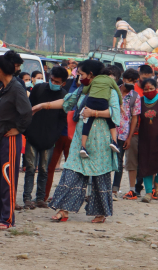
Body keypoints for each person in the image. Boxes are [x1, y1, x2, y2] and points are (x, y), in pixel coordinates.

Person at [50, 59, 118, 223]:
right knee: (71, 172)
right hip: (81, 140)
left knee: (100, 178)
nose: (79, 77)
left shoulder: (110, 90)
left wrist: (94, 113)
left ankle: (100, 214)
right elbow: (67, 102)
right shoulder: (83, 89)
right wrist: (41, 106)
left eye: (80, 74)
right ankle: (63, 210)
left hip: (101, 140)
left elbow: (115, 113)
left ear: (91, 74)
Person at [0, 51, 31, 230]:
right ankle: (2, 217)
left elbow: (26, 112)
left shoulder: (16, 88)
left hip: (10, 141)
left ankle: (8, 219)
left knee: (8, 179)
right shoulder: (3, 88)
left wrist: (18, 129)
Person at [24, 66, 68, 209]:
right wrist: (28, 131)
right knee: (30, 168)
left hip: (50, 138)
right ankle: (27, 198)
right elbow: (29, 110)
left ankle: (40, 198)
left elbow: (63, 119)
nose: (53, 83)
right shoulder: (38, 89)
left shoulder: (64, 96)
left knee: (44, 169)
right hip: (33, 134)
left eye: (57, 82)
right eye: (52, 80)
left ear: (63, 83)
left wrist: (55, 136)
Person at [77, 68, 121, 158]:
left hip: (90, 102)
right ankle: (114, 141)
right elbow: (118, 91)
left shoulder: (95, 79)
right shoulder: (110, 82)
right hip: (102, 102)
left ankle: (83, 147)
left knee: (87, 123)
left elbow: (85, 90)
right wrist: (121, 103)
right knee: (111, 121)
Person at [117, 69, 141, 199]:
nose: (131, 83)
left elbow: (135, 118)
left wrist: (129, 137)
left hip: (124, 134)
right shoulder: (114, 92)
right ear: (123, 78)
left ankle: (115, 189)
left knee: (120, 162)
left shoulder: (135, 97)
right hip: (108, 132)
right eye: (129, 81)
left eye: (134, 81)